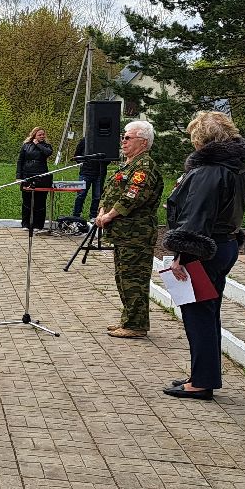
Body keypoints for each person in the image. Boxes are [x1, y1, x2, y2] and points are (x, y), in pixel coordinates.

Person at [162, 111, 245, 399]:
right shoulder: (236, 170)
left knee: (198, 315)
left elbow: (196, 217)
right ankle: (202, 374)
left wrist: (183, 255)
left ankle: (201, 382)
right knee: (209, 314)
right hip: (224, 245)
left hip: (204, 249)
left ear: (200, 139)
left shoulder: (208, 172)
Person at [92, 119, 163, 340]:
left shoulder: (144, 166)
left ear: (142, 142)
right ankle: (129, 320)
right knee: (123, 277)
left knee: (134, 279)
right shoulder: (128, 165)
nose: (123, 141)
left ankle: (136, 324)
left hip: (137, 234)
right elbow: (110, 190)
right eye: (123, 137)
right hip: (123, 233)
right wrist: (101, 210)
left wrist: (110, 215)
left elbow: (133, 196)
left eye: (127, 137)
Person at [16, 127, 53, 230]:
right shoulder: (26, 146)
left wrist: (38, 144)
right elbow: (20, 161)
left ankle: (38, 225)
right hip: (27, 175)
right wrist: (18, 176)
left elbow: (48, 153)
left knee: (40, 202)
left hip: (41, 176)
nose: (42, 136)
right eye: (39, 135)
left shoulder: (46, 146)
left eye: (43, 134)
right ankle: (25, 224)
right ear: (34, 135)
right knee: (27, 201)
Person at [69, 135, 106, 222]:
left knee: (97, 196)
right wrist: (85, 163)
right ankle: (76, 215)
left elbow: (108, 157)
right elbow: (77, 155)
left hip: (99, 173)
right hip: (85, 173)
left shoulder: (104, 141)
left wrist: (102, 164)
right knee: (81, 195)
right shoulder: (84, 140)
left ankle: (93, 216)